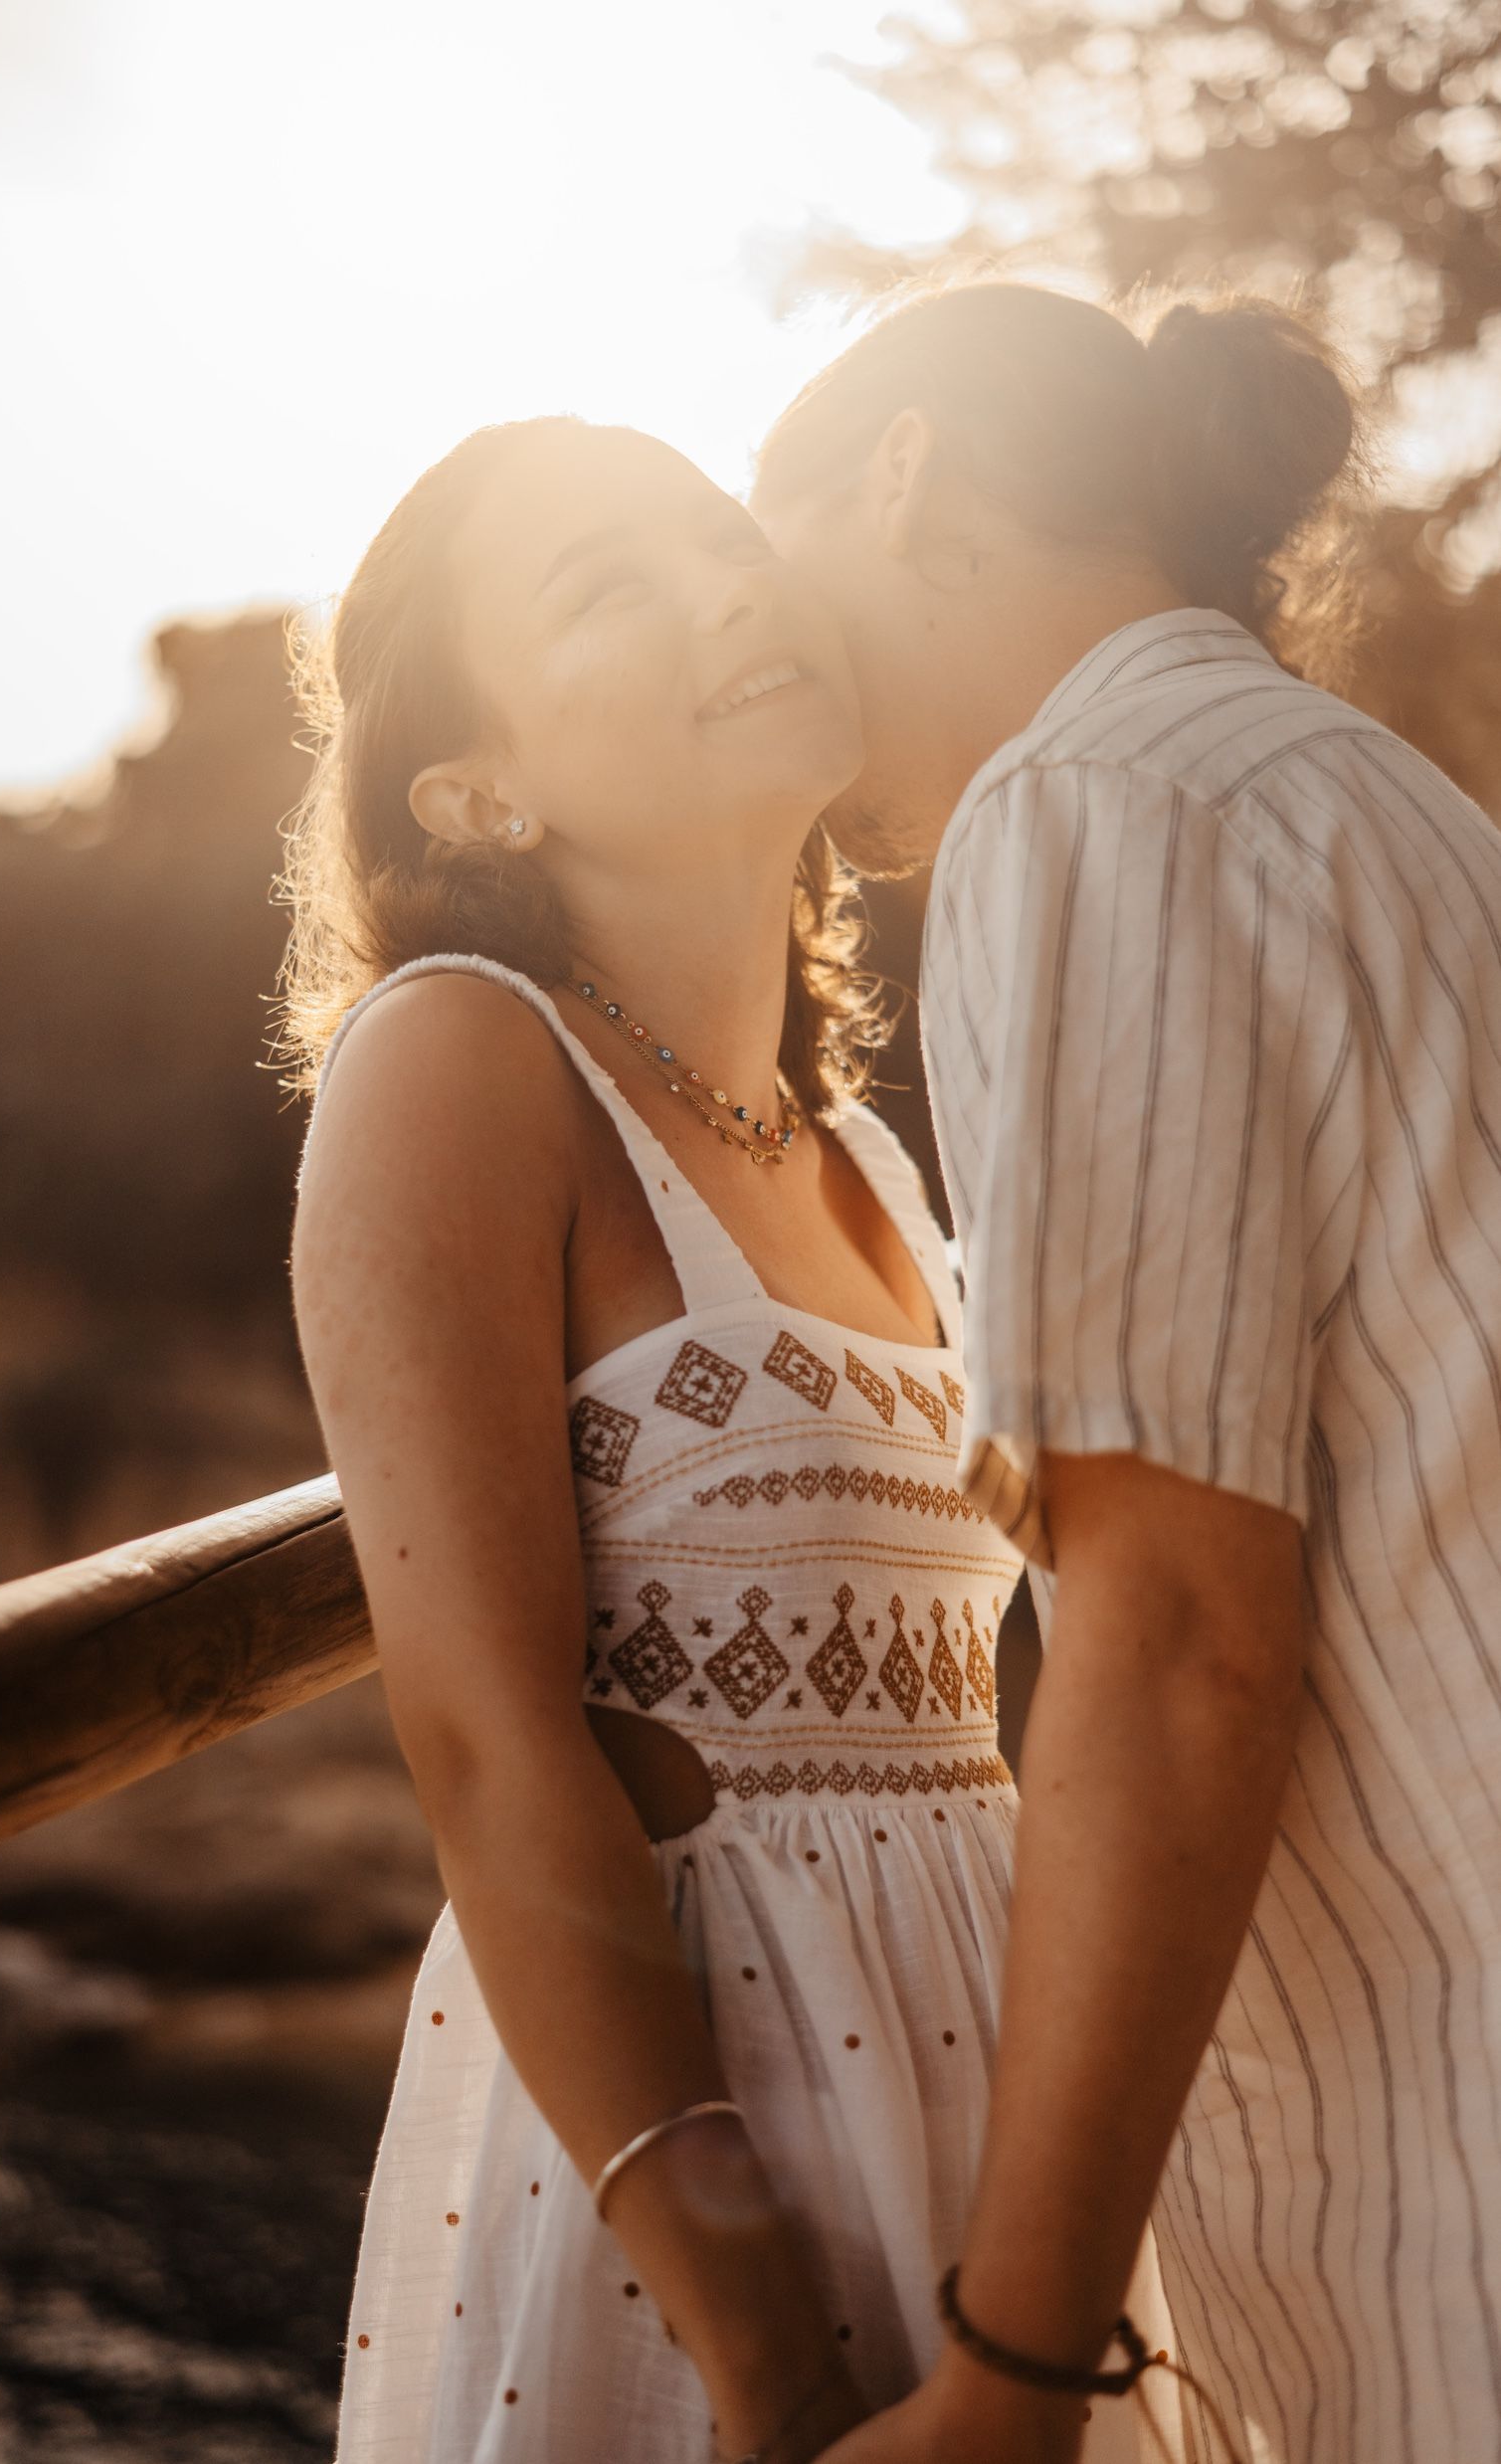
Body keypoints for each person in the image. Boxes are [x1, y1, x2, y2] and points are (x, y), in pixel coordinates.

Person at [284, 418, 1160, 2462]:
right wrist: (757, 2349)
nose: (730, 586)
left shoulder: (868, 1155)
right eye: (611, 584)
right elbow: (492, 1743)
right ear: (474, 786)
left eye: (716, 537)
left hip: (984, 2110)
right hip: (709, 2160)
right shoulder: (457, 1062)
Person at [752, 281, 1501, 2464]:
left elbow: (1171, 1635)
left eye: (767, 566)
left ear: (901, 476)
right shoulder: (1380, 805)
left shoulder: (1084, 803)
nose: (774, 688)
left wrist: (1012, 2368)